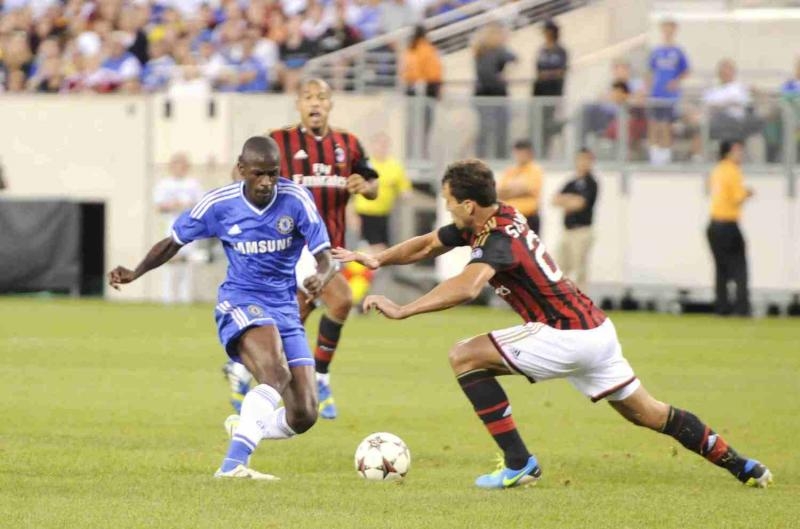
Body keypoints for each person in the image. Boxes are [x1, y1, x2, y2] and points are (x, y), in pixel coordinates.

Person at [332, 159, 772, 490]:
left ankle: (518, 462)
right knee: (649, 413)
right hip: (597, 332)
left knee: (464, 356)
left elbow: (467, 287)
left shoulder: (498, 238)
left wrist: (405, 309)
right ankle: (743, 466)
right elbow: (429, 244)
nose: (447, 209)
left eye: (449, 201)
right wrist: (377, 258)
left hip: (563, 333)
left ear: (468, 204)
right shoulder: (494, 216)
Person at [109, 136, 335, 479]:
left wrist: (322, 275)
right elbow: (173, 242)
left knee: (304, 414)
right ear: (241, 169)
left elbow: (326, 257)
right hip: (241, 301)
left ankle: (247, 425)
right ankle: (232, 465)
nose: (267, 182)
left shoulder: (296, 199)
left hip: (285, 308)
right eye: (258, 174)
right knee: (275, 373)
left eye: (273, 173)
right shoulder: (219, 203)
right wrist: (136, 272)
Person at [224, 78, 379, 419]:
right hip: (290, 246)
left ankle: (241, 370)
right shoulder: (278, 140)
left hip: (329, 248)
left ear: (330, 104)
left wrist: (365, 186)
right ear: (298, 104)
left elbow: (373, 184)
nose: (315, 102)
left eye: (321, 97)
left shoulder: (348, 144)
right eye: (308, 97)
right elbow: (241, 173)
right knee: (341, 299)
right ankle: (320, 377)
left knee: (293, 317)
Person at [707, 140, 753, 317]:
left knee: (721, 269)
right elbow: (737, 198)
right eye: (737, 151)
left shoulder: (717, 169)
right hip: (728, 224)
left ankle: (722, 307)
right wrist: (748, 193)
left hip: (713, 224)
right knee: (740, 267)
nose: (740, 154)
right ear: (728, 153)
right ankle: (742, 308)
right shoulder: (733, 171)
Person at [152, 152, 204, 304]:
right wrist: (172, 205)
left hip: (189, 227)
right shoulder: (164, 184)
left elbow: (202, 205)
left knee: (186, 262)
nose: (179, 167)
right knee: (170, 260)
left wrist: (187, 206)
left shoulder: (193, 184)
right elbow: (159, 206)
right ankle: (168, 297)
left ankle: (185, 297)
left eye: (182, 164)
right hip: (171, 226)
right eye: (176, 164)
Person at [552, 148, 598, 292]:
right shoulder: (571, 183)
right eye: (580, 159)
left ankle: (581, 301)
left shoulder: (591, 183)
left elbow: (580, 204)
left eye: (586, 159)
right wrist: (571, 200)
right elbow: (555, 199)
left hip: (582, 231)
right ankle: (560, 299)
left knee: (579, 270)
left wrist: (567, 201)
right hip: (567, 231)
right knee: (559, 267)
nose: (583, 163)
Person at [646, 18, 689, 165]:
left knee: (666, 124)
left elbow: (686, 71)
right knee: (654, 124)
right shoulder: (656, 51)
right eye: (665, 28)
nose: (667, 31)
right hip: (656, 93)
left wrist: (675, 81)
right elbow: (650, 71)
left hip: (670, 96)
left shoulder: (678, 52)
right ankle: (653, 155)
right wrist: (648, 88)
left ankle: (665, 156)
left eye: (670, 28)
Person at [473, 22, 516, 158]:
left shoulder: (500, 51)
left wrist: (505, 74)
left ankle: (500, 156)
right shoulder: (483, 51)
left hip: (497, 95)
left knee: (501, 128)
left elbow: (514, 59)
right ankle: (482, 157)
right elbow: (486, 74)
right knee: (486, 128)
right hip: (486, 95)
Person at [532, 19, 568, 157]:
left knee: (550, 124)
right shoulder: (542, 50)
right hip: (540, 93)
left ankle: (548, 153)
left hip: (553, 93)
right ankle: (540, 151)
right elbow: (538, 71)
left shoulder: (560, 51)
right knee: (539, 124)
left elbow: (562, 71)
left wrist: (547, 75)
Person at [496, 139, 543, 233]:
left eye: (523, 153)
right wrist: (517, 189)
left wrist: (510, 191)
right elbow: (499, 193)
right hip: (510, 218)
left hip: (529, 217)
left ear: (530, 153)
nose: (520, 156)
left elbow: (528, 189)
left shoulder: (535, 170)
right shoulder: (510, 171)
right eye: (518, 153)